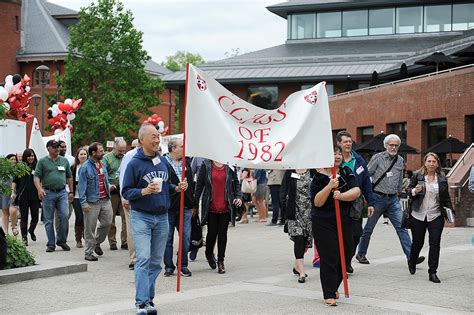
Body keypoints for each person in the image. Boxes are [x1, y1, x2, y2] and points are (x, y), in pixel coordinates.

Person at [122, 124, 188, 315]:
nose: (157, 140)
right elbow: (126, 191)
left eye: (158, 137)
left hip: (162, 217)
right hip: (141, 216)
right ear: (142, 139)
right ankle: (141, 303)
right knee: (143, 258)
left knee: (155, 261)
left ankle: (149, 300)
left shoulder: (162, 161)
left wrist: (177, 187)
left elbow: (167, 185)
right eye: (153, 137)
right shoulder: (134, 163)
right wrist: (143, 191)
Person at [356, 134, 425, 267]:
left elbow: (399, 178)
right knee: (369, 228)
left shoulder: (400, 160)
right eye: (391, 145)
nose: (393, 147)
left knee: (402, 228)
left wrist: (399, 192)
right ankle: (361, 253)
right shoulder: (378, 158)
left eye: (396, 145)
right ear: (386, 145)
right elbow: (367, 174)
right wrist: (366, 195)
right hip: (377, 198)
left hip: (393, 199)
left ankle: (411, 257)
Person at [311, 145, 360, 306]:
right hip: (323, 221)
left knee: (347, 253)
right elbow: (317, 202)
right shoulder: (318, 177)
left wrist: (341, 195)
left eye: (339, 153)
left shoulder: (346, 172)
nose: (338, 156)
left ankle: (334, 284)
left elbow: (356, 191)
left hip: (344, 219)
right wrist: (330, 186)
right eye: (334, 153)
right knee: (330, 256)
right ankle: (329, 292)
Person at [408, 152, 453, 283]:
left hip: (436, 215)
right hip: (418, 215)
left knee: (435, 244)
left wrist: (450, 211)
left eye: (434, 161)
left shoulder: (442, 178)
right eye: (429, 161)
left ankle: (432, 271)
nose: (431, 164)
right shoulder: (417, 175)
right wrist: (414, 191)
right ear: (425, 162)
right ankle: (412, 260)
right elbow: (407, 190)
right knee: (418, 242)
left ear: (437, 163)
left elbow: (446, 197)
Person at [336, 131, 375, 274]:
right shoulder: (334, 159)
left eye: (350, 141)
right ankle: (341, 262)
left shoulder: (359, 160)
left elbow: (366, 183)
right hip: (338, 201)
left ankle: (347, 259)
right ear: (339, 143)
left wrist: (370, 202)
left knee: (356, 234)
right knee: (341, 234)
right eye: (345, 141)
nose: (348, 144)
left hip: (356, 203)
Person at [194, 159, 242, 274]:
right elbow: (199, 186)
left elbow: (236, 183)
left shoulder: (229, 165)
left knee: (222, 234)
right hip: (210, 207)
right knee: (212, 233)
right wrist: (194, 205)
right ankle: (209, 253)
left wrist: (238, 197)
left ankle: (221, 261)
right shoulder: (206, 165)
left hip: (226, 206)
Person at [34, 140, 74, 252]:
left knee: (64, 216)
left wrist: (71, 191)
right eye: (54, 147)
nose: (57, 149)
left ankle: (61, 240)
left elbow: (69, 177)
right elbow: (36, 176)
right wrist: (39, 189)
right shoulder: (42, 161)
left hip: (62, 192)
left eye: (58, 147)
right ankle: (51, 244)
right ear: (48, 148)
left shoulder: (64, 161)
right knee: (49, 220)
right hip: (48, 192)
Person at [163, 139, 195, 277]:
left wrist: (193, 203)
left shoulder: (187, 162)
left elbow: (192, 184)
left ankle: (183, 265)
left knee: (185, 237)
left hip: (185, 206)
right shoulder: (163, 163)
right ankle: (169, 266)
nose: (184, 148)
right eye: (182, 146)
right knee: (167, 238)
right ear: (173, 148)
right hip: (169, 207)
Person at [78, 143, 113, 261]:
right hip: (92, 201)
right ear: (93, 153)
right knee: (89, 228)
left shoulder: (101, 164)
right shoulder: (85, 167)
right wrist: (83, 203)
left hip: (105, 199)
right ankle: (88, 253)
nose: (103, 153)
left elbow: (103, 180)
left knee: (107, 223)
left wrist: (109, 186)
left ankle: (96, 243)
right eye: (101, 151)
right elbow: (81, 187)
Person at [280, 168, 313, 283]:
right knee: (298, 238)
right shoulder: (290, 171)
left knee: (304, 240)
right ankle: (302, 272)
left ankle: (297, 266)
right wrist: (285, 212)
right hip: (294, 212)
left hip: (309, 212)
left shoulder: (312, 171)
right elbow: (283, 192)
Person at [119, 138, 140, 270]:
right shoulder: (130, 156)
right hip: (131, 197)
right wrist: (124, 197)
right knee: (132, 228)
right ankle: (134, 258)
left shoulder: (154, 155)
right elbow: (123, 176)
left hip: (145, 197)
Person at [103, 139, 128, 251]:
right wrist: (108, 185)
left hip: (124, 190)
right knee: (110, 217)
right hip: (112, 191)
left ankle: (125, 241)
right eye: (120, 150)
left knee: (125, 217)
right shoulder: (107, 158)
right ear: (114, 148)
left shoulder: (126, 158)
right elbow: (103, 174)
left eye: (123, 150)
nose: (122, 153)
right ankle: (112, 241)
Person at [12, 149, 40, 245]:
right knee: (24, 218)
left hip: (35, 195)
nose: (31, 158)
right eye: (29, 156)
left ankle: (31, 230)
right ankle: (24, 237)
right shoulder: (20, 167)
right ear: (25, 157)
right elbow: (15, 181)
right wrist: (13, 192)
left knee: (35, 217)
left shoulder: (38, 166)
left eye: (32, 156)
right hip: (23, 195)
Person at [71, 147, 88, 248]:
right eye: (81, 154)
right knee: (79, 217)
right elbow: (69, 180)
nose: (83, 156)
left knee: (87, 217)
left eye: (84, 154)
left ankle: (86, 236)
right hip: (77, 196)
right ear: (77, 156)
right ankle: (78, 238)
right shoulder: (73, 167)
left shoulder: (90, 166)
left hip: (88, 196)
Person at [1, 154, 19, 235]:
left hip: (14, 193)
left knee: (13, 210)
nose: (14, 161)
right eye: (11, 159)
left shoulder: (18, 170)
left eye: (15, 159)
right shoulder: (3, 170)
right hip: (4, 193)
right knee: (5, 213)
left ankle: (14, 226)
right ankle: (5, 233)